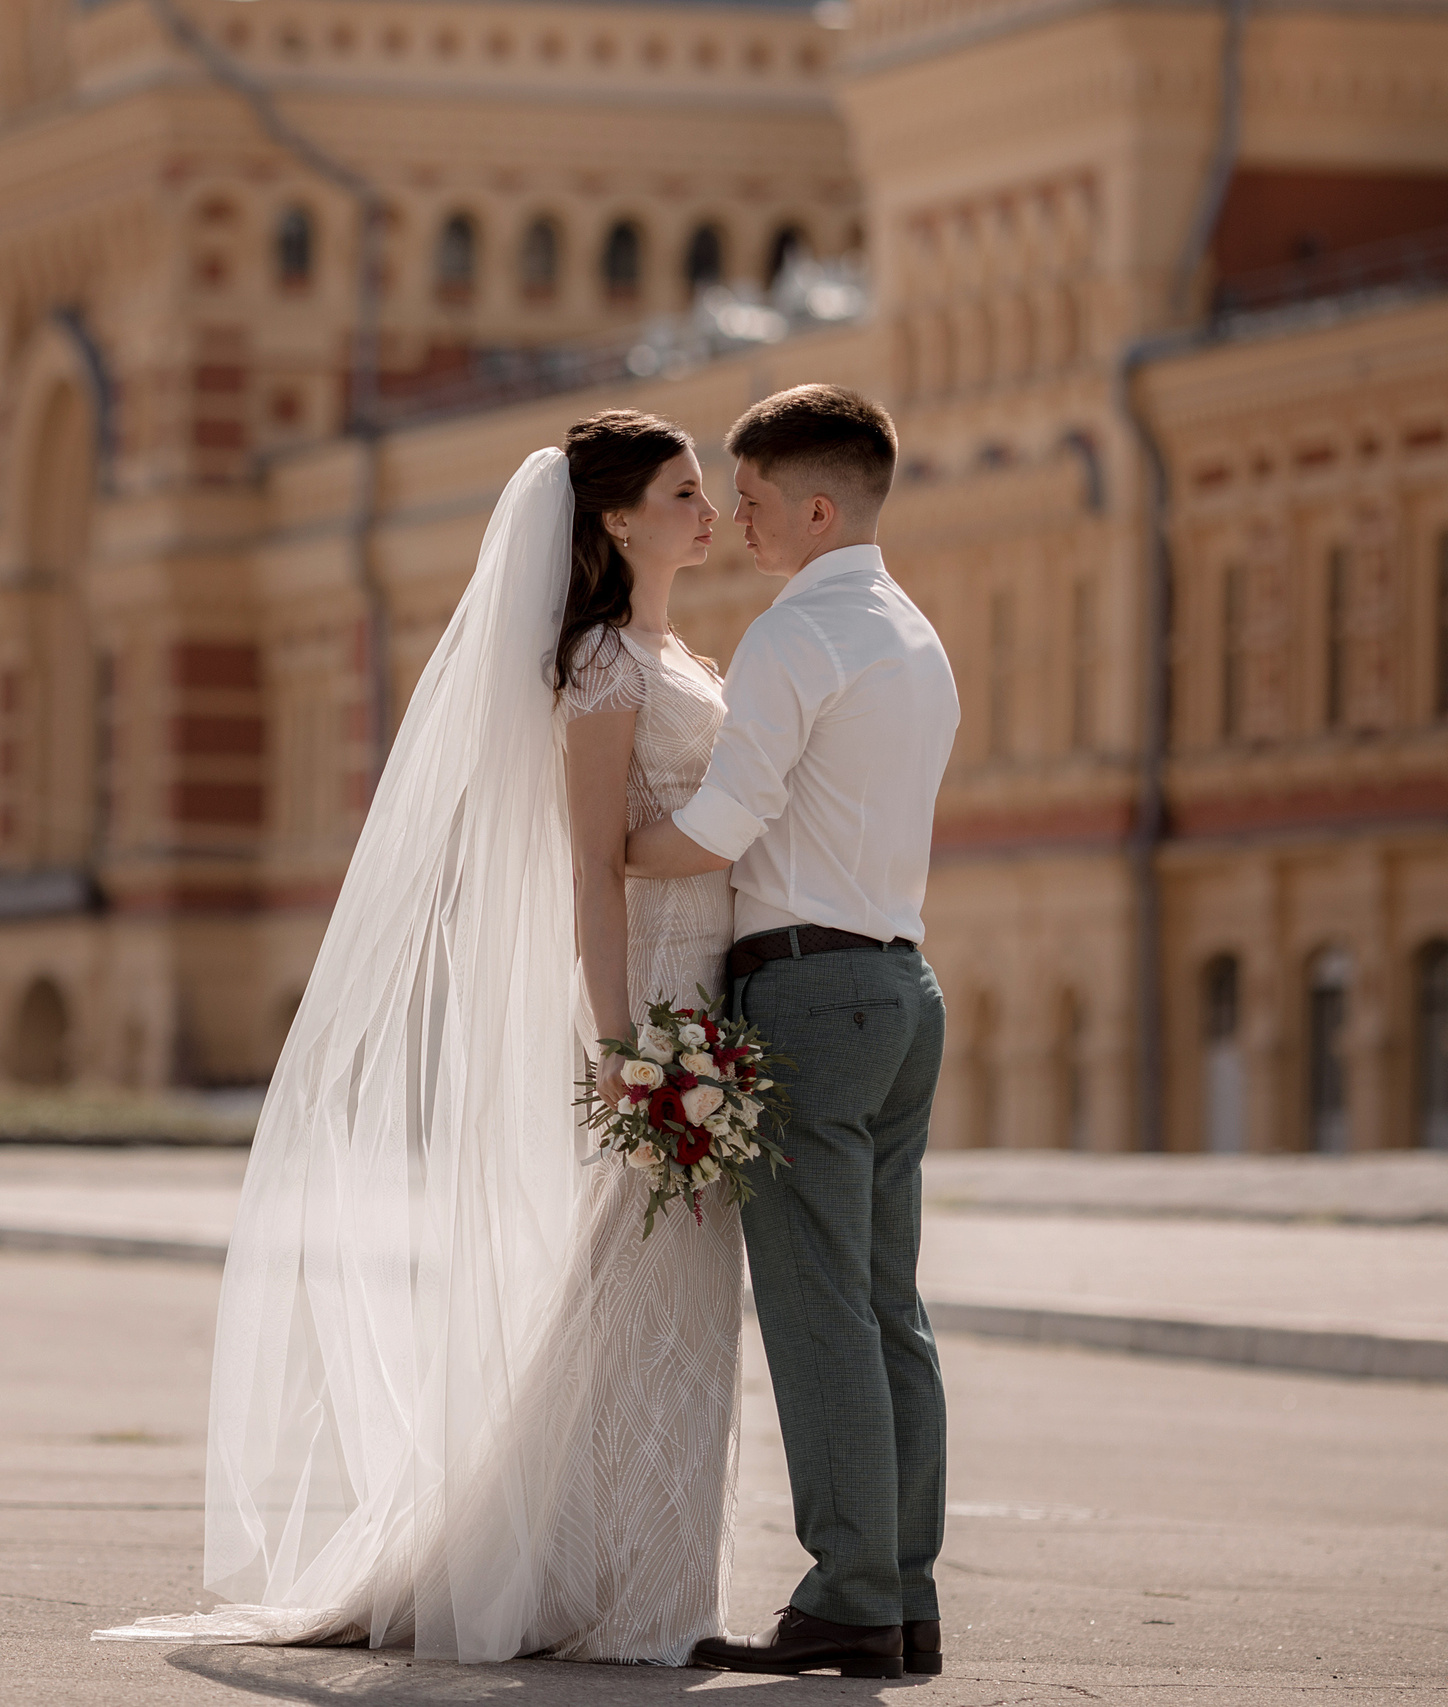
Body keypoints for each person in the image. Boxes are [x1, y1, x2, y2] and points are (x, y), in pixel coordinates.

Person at [94, 411, 746, 1663]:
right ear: (615, 521)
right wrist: (625, 1045)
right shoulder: (607, 668)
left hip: (711, 1002)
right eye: (681, 491)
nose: (706, 510)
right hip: (657, 1011)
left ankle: (631, 1577)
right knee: (637, 1295)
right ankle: (617, 1589)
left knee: (659, 1305)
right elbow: (592, 869)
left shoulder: (678, 658)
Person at [628, 384, 960, 1681]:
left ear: (817, 507)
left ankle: (846, 1592)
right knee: (887, 1308)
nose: (737, 516)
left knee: (819, 1306)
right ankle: (902, 1593)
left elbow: (720, 827)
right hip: (899, 983)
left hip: (811, 991)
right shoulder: (912, 633)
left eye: (754, 499)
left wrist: (600, 851)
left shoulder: (795, 633)